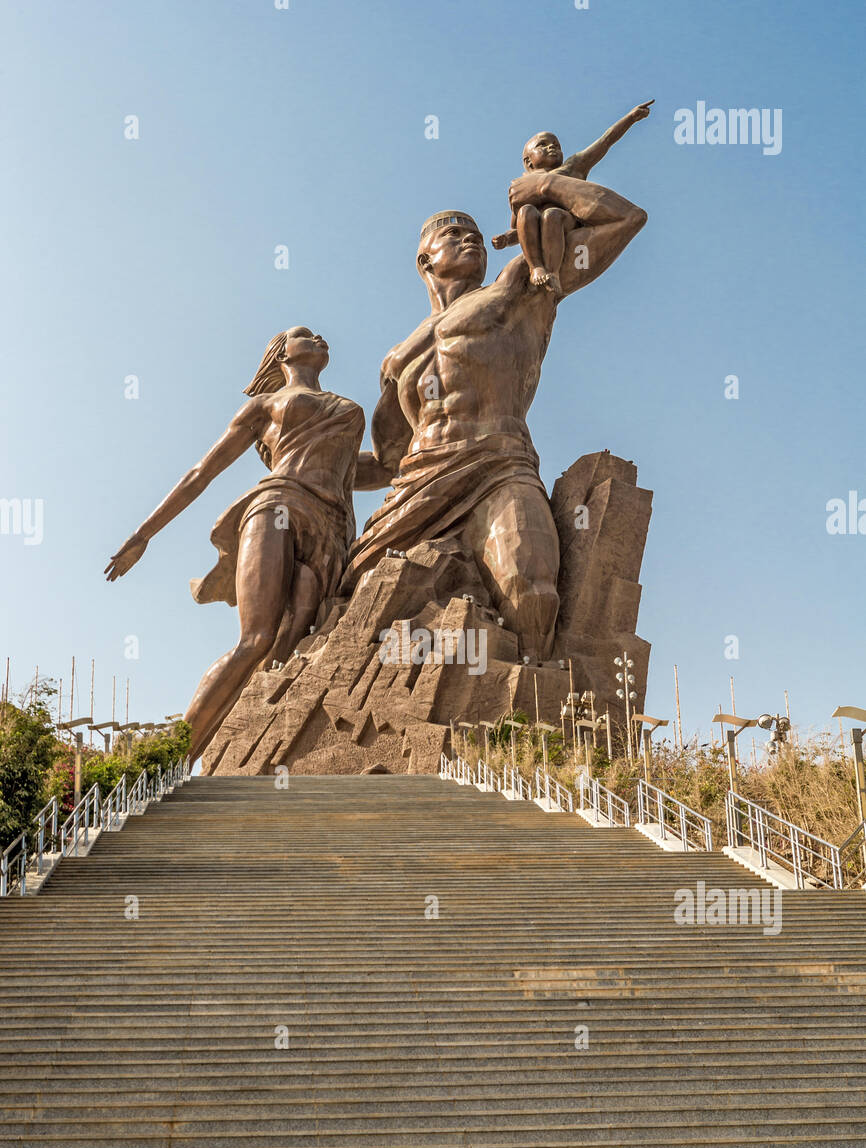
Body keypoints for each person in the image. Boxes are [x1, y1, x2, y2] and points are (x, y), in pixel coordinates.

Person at [341, 172, 647, 663]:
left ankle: (532, 725)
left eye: (478, 237)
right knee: (351, 600)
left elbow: (626, 217)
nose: (471, 241)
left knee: (532, 589)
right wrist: (303, 471)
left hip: (500, 464)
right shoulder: (397, 357)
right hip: (417, 486)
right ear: (426, 261)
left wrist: (547, 183)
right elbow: (386, 462)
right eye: (454, 236)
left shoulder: (523, 285)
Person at [105, 327, 369, 760]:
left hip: (332, 532)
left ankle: (248, 757)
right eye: (305, 334)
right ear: (281, 354)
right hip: (278, 505)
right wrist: (143, 534)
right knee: (258, 638)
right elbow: (201, 473)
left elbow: (373, 469)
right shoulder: (264, 407)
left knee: (289, 647)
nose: (320, 337)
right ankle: (166, 763)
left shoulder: (347, 410)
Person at [492, 102, 653, 296]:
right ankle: (537, 268)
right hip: (538, 235)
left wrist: (631, 118)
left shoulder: (571, 168)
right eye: (542, 145)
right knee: (527, 212)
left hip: (564, 223)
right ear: (528, 161)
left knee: (552, 215)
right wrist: (506, 239)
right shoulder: (519, 187)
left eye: (556, 145)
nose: (552, 146)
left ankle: (553, 272)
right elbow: (519, 228)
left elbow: (604, 142)